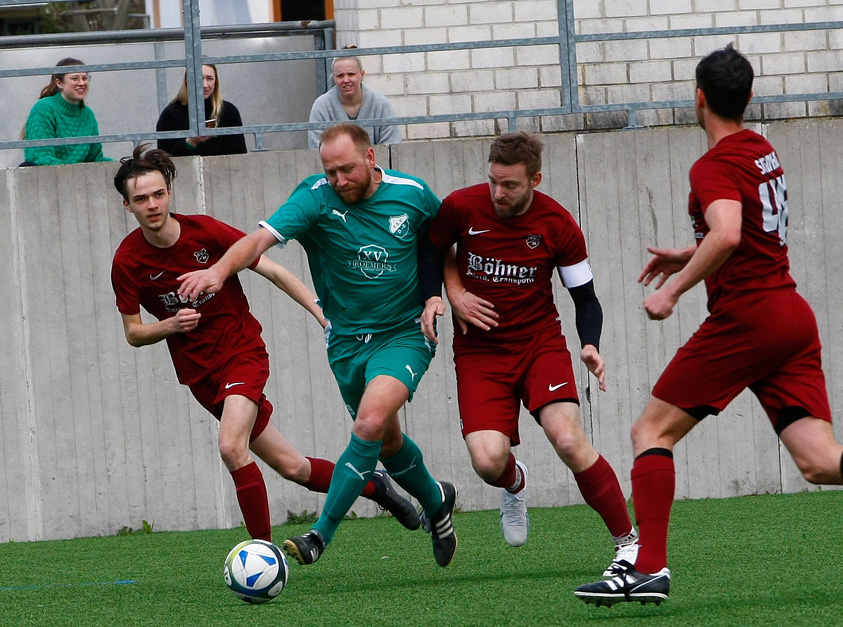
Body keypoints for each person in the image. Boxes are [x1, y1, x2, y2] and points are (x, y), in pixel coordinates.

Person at [574, 45, 843, 607]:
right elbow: (740, 234)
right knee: (819, 460)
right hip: (788, 316)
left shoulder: (714, 164)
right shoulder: (761, 150)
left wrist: (674, 290)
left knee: (650, 432)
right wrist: (690, 253)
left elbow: (728, 234)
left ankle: (648, 567)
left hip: (748, 319)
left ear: (698, 99)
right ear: (748, 98)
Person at [176, 123, 457, 568]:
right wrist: (220, 272)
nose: (339, 180)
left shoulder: (413, 192)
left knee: (367, 424)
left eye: (346, 169)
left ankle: (319, 534)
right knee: (386, 441)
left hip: (404, 334)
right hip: (346, 342)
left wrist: (438, 294)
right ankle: (437, 500)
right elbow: (258, 241)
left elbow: (441, 242)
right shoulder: (313, 198)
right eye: (330, 172)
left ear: (370, 158)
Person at [110, 145, 420, 543]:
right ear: (127, 206)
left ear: (169, 193)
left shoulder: (205, 231)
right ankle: (375, 486)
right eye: (141, 199)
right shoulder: (128, 261)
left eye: (158, 194)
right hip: (201, 375)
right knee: (293, 467)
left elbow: (273, 270)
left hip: (241, 353)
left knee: (230, 447)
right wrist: (170, 325)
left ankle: (263, 554)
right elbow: (133, 333)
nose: (152, 204)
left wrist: (321, 312)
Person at [419, 131, 638, 575]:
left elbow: (586, 299)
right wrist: (443, 294)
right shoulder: (462, 206)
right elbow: (432, 246)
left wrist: (591, 345)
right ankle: (515, 483)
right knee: (486, 462)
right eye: (493, 182)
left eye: (511, 185)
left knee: (570, 442)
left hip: (540, 345)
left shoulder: (558, 224)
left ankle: (629, 544)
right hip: (479, 352)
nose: (498, 193)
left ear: (535, 179)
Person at [21, 57, 114, 166]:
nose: (81, 83)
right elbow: (40, 157)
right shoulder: (43, 108)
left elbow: (95, 158)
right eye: (75, 78)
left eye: (85, 78)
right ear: (59, 83)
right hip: (49, 177)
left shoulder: (88, 114)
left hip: (82, 177)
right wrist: (73, 172)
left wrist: (124, 164)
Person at [308, 51, 402, 148]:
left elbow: (392, 146)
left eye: (351, 74)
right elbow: (316, 148)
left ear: (362, 74)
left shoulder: (381, 105)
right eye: (340, 75)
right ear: (334, 78)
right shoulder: (321, 107)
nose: (346, 80)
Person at [156, 64, 248, 157]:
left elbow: (239, 155)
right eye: (199, 78)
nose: (204, 85)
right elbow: (165, 159)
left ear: (215, 81)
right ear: (187, 81)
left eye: (210, 78)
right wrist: (190, 142)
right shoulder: (170, 114)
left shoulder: (229, 111)